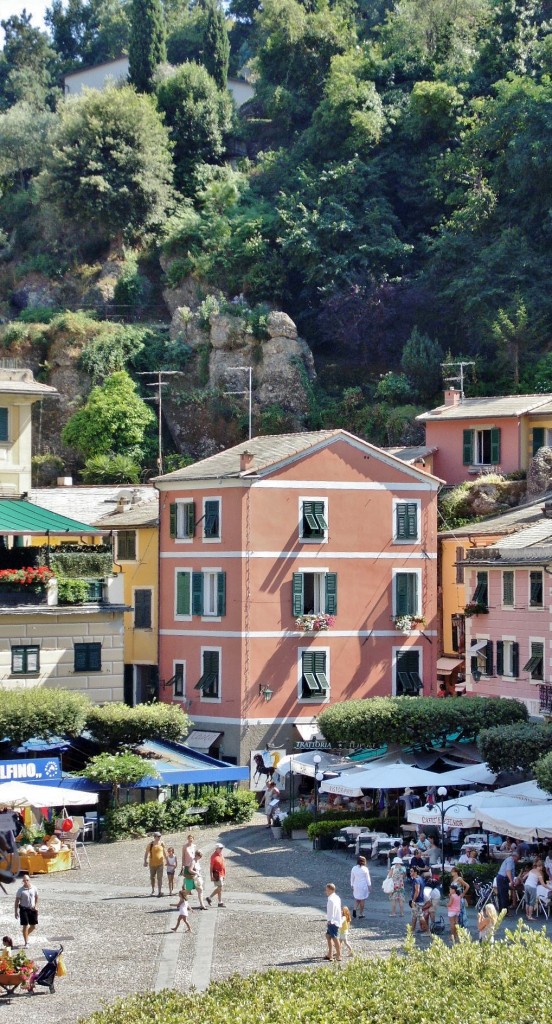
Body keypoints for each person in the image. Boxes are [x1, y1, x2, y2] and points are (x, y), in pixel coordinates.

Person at [14, 874, 38, 947]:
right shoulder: (20, 890)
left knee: (33, 926)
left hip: (32, 909)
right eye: (24, 880)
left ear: (29, 880)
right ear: (22, 881)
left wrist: (36, 906)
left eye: (27, 880)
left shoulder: (34, 888)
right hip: (23, 909)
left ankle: (25, 933)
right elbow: (16, 901)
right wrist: (16, 912)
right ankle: (26, 942)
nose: (26, 882)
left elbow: (36, 897)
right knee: (25, 925)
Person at [144, 831, 166, 897]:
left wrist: (167, 860)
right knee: (152, 877)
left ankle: (159, 891)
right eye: (158, 836)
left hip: (160, 863)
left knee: (160, 878)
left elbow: (164, 852)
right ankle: (153, 890)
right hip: (152, 864)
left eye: (160, 836)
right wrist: (145, 861)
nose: (159, 837)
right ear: (154, 837)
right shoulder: (150, 844)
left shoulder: (162, 843)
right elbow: (146, 853)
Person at [324, 883, 342, 962]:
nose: (326, 892)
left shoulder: (331, 900)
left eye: (327, 890)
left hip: (332, 921)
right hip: (337, 920)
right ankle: (330, 954)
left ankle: (338, 955)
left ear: (331, 890)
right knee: (328, 936)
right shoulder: (337, 897)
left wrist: (329, 921)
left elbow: (330, 912)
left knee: (334, 937)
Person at [206, 843, 226, 907]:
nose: (221, 849)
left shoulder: (221, 855)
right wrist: (211, 876)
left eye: (222, 848)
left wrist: (224, 874)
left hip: (222, 873)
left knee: (220, 888)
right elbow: (211, 867)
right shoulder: (213, 856)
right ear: (216, 848)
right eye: (220, 848)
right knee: (220, 887)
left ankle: (220, 902)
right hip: (217, 874)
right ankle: (210, 897)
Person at [409, 867, 427, 934]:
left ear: (416, 872)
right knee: (414, 916)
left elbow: (417, 891)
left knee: (420, 916)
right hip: (420, 900)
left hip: (417, 901)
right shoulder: (420, 878)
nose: (410, 873)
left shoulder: (416, 880)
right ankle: (412, 931)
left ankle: (427, 931)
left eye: (411, 871)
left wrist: (413, 900)